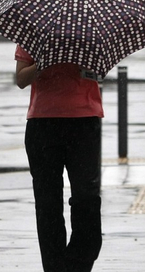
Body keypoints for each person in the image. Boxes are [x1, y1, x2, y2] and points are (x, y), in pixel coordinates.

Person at [15, 49, 104, 272]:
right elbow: (21, 79)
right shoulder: (35, 29)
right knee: (48, 205)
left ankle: (75, 265)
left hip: (84, 121)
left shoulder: (89, 31)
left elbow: (101, 71)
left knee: (87, 198)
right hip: (43, 123)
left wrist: (82, 58)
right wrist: (44, 62)